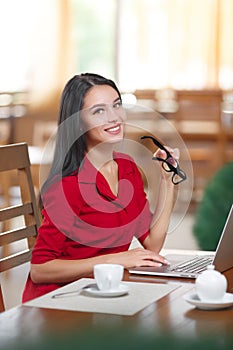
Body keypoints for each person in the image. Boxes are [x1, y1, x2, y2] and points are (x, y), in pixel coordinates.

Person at [22, 73, 178, 302]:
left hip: (102, 293)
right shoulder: (68, 185)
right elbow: (39, 270)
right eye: (99, 111)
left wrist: (167, 180)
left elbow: (152, 245)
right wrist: (115, 259)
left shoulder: (127, 169)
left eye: (117, 105)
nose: (114, 117)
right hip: (57, 303)